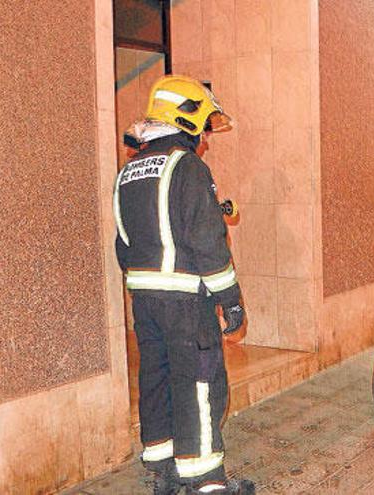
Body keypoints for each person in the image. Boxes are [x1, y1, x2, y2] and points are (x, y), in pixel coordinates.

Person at [114, 75, 255, 495]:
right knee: (198, 383)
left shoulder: (129, 171)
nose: (206, 136)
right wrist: (230, 302)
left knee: (157, 376)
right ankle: (206, 481)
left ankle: (164, 468)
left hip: (143, 299)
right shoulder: (188, 166)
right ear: (187, 117)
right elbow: (208, 242)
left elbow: (123, 244)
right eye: (205, 125)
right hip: (185, 303)